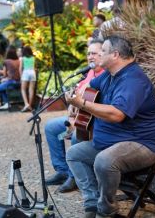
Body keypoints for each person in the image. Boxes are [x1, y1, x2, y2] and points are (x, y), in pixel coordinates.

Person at [65, 36, 155, 218]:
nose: (98, 55)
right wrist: (77, 96)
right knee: (74, 154)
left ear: (115, 55)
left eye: (102, 51)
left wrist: (82, 105)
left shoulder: (134, 80)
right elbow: (89, 87)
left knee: (105, 161)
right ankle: (92, 203)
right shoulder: (109, 75)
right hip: (112, 142)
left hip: (140, 143)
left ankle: (107, 211)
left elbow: (117, 114)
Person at [44, 39, 105, 194]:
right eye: (88, 54)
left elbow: (97, 103)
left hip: (92, 122)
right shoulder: (90, 73)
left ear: (104, 54)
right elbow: (80, 93)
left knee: (76, 135)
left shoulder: (105, 75)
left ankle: (74, 177)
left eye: (94, 53)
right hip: (79, 117)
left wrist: (76, 115)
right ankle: (62, 170)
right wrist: (71, 104)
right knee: (51, 128)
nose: (90, 57)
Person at [19, 46, 36, 112]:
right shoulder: (33, 58)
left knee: (23, 89)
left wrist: (21, 76)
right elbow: (34, 67)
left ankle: (26, 104)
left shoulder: (22, 58)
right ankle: (30, 105)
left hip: (26, 72)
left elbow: (20, 68)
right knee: (31, 89)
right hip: (32, 72)